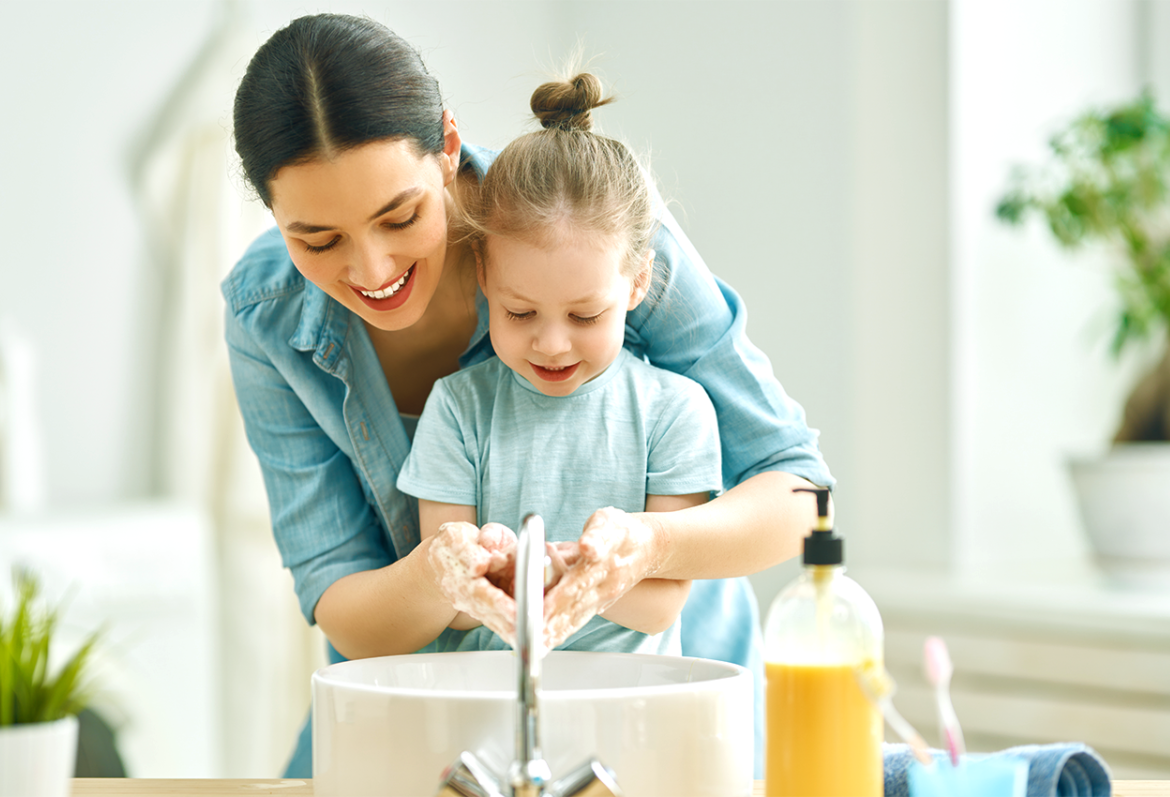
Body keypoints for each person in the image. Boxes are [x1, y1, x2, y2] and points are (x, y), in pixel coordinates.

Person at [223, 12, 833, 777]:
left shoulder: (592, 230)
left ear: (447, 147)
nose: (371, 266)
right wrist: (434, 574)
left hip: (662, 700)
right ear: (273, 215)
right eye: (317, 240)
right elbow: (337, 594)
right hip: (428, 700)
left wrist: (651, 547)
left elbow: (802, 492)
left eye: (400, 215)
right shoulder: (266, 314)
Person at [397, 69, 721, 657]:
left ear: (638, 282)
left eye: (585, 317)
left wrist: (550, 572)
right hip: (490, 707)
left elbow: (659, 607)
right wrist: (483, 568)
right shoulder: (458, 409)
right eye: (520, 314)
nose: (552, 344)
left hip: (632, 711)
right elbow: (455, 608)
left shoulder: (675, 412)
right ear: (484, 277)